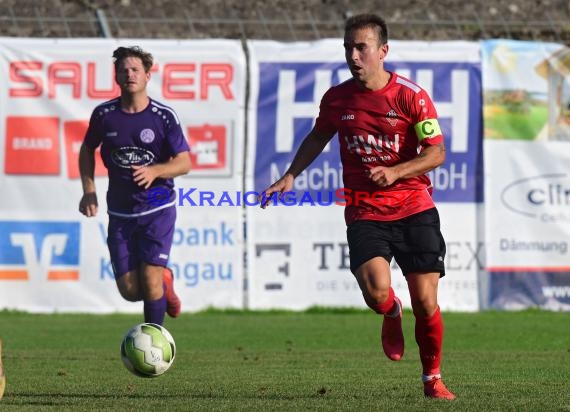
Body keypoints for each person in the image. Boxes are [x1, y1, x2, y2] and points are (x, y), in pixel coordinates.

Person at [260, 13, 455, 400]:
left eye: (361, 47)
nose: (353, 55)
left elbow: (436, 153)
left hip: (414, 206)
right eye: (348, 47)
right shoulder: (337, 98)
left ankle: (431, 379)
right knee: (376, 291)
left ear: (383, 51)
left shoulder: (410, 96)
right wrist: (291, 174)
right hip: (365, 209)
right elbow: (318, 138)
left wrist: (397, 171)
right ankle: (390, 312)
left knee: (427, 301)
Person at [79, 46, 191, 326]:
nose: (130, 74)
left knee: (150, 279)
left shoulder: (164, 117)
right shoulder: (104, 115)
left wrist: (156, 170)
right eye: (124, 70)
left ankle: (154, 344)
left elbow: (184, 162)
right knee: (130, 291)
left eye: (135, 70)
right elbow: (86, 149)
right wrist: (89, 189)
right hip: (120, 212)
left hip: (158, 208)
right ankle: (165, 284)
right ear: (116, 76)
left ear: (147, 75)